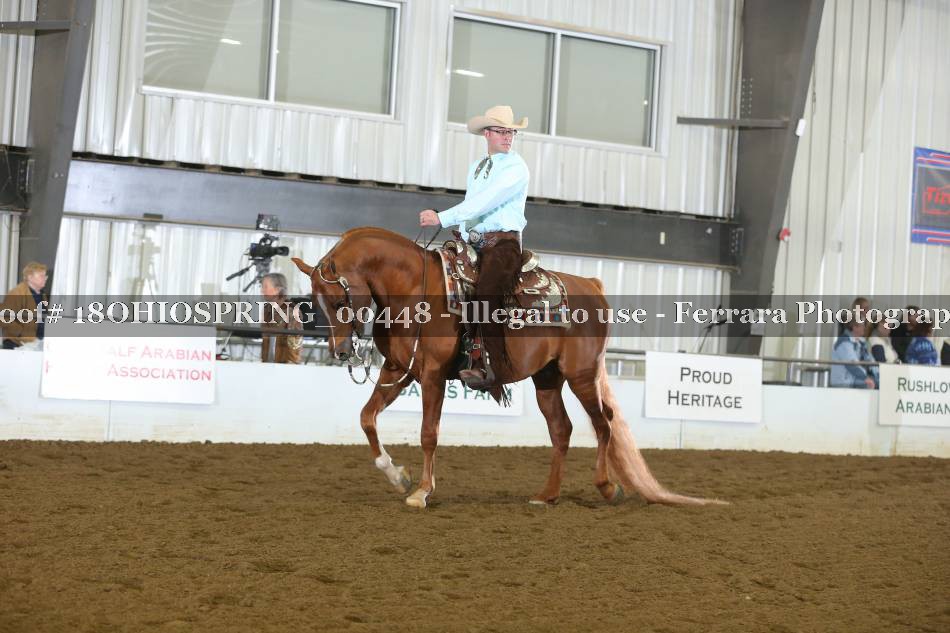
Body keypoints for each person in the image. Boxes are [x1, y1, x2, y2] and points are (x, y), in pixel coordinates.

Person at [419, 105, 530, 389]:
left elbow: (485, 202)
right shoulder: (478, 167)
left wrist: (442, 218)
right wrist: (463, 233)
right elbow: (472, 205)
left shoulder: (516, 167)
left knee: (486, 293)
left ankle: (491, 364)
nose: (508, 137)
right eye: (502, 131)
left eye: (511, 132)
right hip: (476, 243)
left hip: (503, 245)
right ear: (487, 134)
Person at [1, 261, 49, 350]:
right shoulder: (16, 293)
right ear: (30, 277)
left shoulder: (42, 295)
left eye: (45, 276)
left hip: (37, 344)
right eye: (41, 276)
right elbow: (5, 317)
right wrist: (21, 334)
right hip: (18, 345)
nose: (45, 278)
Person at [260, 272, 303, 364]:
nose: (262, 290)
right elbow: (265, 340)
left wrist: (289, 367)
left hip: (285, 366)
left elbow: (294, 345)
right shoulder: (267, 309)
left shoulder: (292, 311)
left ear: (277, 290)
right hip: (268, 364)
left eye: (265, 287)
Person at [830, 315, 878, 389]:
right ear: (854, 327)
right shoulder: (844, 342)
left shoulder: (861, 343)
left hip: (854, 380)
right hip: (843, 383)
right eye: (862, 325)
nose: (864, 328)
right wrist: (865, 378)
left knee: (879, 382)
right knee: (872, 384)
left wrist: (879, 374)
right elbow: (852, 364)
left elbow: (870, 361)